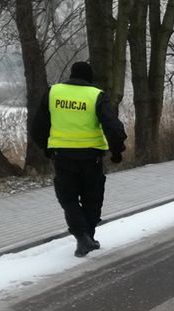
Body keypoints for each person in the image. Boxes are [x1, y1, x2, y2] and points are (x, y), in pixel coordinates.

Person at [29, 62, 127, 257]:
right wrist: (117, 152)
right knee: (92, 198)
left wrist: (47, 150)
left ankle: (83, 237)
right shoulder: (96, 95)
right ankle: (86, 236)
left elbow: (38, 128)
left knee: (69, 198)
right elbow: (113, 128)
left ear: (71, 75)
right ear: (89, 78)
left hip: (63, 157)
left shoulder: (53, 93)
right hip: (91, 158)